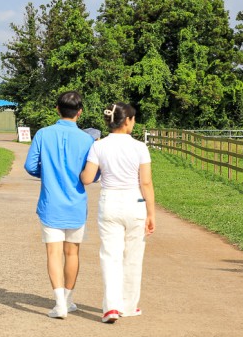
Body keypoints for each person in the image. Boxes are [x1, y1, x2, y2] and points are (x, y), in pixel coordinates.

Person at [80, 102, 156, 324]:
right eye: (133, 119)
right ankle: (129, 305)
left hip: (110, 201)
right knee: (133, 256)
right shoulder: (140, 147)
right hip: (135, 202)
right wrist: (151, 213)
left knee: (110, 255)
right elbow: (146, 182)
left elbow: (86, 178)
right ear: (127, 120)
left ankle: (111, 307)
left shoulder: (99, 146)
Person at [24, 91, 95, 319]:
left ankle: (59, 304)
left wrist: (45, 174)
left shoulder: (43, 134)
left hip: (50, 203)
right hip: (76, 204)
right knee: (72, 253)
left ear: (57, 109)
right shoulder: (87, 140)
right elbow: (92, 174)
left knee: (53, 253)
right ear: (80, 112)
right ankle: (68, 299)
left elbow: (30, 165)